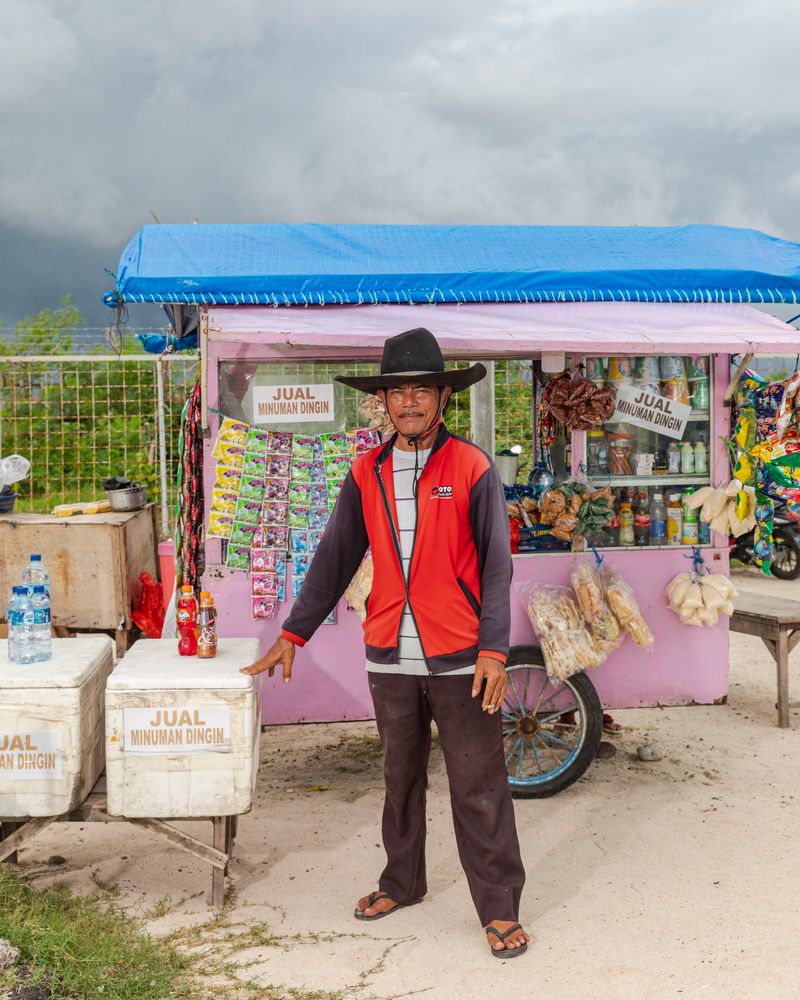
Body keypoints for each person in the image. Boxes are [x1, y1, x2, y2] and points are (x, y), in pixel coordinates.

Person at [242, 327, 529, 958]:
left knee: (478, 784)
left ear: (443, 398)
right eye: (398, 393)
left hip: (460, 655)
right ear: (384, 403)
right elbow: (335, 556)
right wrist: (294, 632)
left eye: (421, 390)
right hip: (389, 652)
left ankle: (499, 906)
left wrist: (495, 650)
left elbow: (498, 565)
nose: (409, 403)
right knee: (399, 778)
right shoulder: (366, 470)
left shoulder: (472, 467)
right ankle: (403, 881)